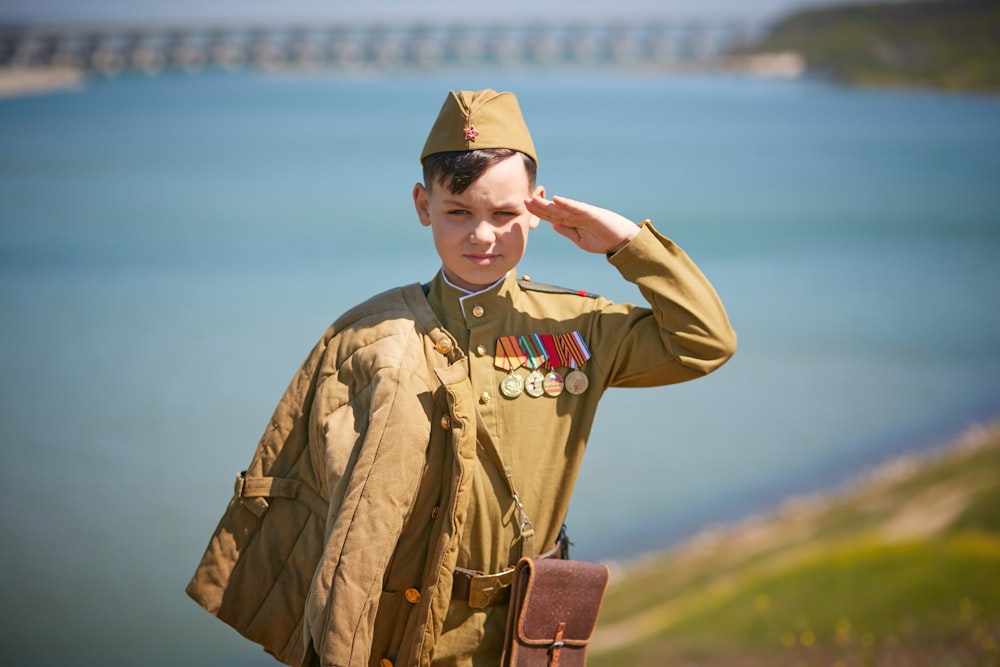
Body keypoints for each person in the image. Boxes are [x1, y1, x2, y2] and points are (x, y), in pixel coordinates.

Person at [186, 89, 736, 667]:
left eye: (505, 214)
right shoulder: (367, 336)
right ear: (423, 204)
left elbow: (704, 342)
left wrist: (627, 244)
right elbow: (308, 494)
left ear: (537, 208)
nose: (482, 235)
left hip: (528, 632)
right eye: (458, 212)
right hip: (401, 628)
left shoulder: (580, 328)